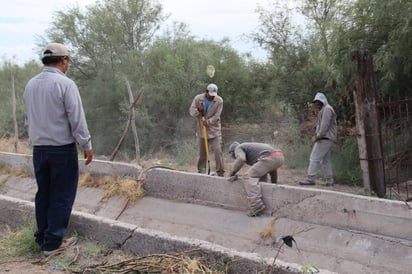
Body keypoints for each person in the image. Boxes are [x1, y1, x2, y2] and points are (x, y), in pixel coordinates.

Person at [23, 42, 93, 255]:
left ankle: (43, 238)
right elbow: (76, 118)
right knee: (61, 195)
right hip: (62, 149)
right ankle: (53, 243)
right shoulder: (66, 84)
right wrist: (86, 144)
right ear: (64, 60)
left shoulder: (31, 84)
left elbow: (27, 120)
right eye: (68, 61)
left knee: (44, 194)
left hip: (39, 149)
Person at [228, 142, 284, 217]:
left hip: (270, 157)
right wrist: (274, 184)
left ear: (233, 152)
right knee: (259, 179)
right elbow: (271, 168)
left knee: (248, 176)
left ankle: (256, 205)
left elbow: (241, 159)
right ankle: (264, 204)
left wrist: (232, 173)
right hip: (279, 156)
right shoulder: (251, 149)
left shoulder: (239, 148)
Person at [299, 92, 337, 186]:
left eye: (318, 101)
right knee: (325, 160)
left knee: (314, 158)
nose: (317, 104)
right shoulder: (325, 109)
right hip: (327, 138)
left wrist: (318, 136)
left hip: (325, 137)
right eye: (316, 102)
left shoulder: (327, 109)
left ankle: (311, 179)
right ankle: (330, 180)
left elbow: (324, 126)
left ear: (322, 100)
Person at [189, 83, 224, 176]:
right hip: (201, 130)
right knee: (202, 154)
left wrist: (208, 122)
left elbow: (217, 116)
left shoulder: (219, 101)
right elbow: (192, 112)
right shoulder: (198, 98)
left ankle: (220, 173)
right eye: (210, 95)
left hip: (214, 131)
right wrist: (198, 111)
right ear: (206, 92)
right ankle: (201, 171)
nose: (212, 97)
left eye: (214, 96)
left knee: (217, 151)